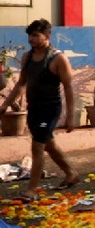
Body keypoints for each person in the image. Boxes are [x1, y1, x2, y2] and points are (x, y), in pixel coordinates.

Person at [0, 19, 78, 203]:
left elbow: (68, 88)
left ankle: (32, 189)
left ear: (47, 36)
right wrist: (5, 105)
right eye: (30, 35)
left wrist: (71, 117)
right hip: (33, 108)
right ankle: (71, 173)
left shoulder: (58, 59)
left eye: (35, 35)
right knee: (48, 144)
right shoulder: (27, 57)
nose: (31, 39)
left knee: (37, 146)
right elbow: (21, 84)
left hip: (50, 109)